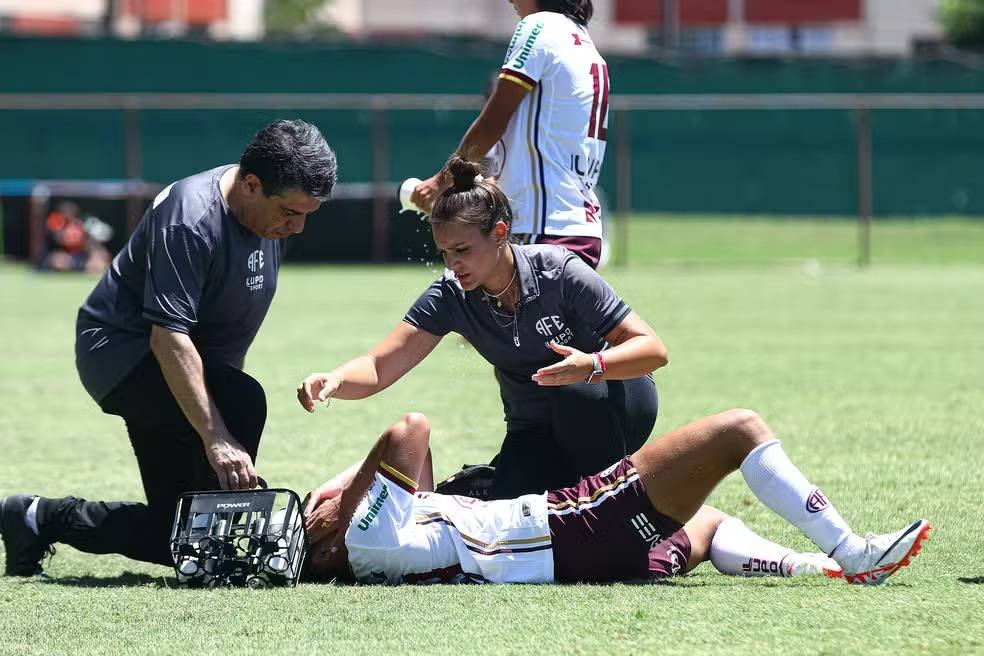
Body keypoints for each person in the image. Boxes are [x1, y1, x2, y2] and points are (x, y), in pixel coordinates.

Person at [0, 119, 338, 577]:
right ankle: (205, 532)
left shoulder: (266, 217)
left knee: (174, 534)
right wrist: (216, 437)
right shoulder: (192, 219)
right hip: (122, 352)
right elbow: (168, 337)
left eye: (308, 215)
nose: (297, 228)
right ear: (252, 184)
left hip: (174, 359)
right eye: (290, 212)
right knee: (241, 402)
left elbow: (224, 343)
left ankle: (35, 516)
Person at [298, 158, 665, 501]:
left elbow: (652, 349)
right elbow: (379, 367)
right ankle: (524, 480)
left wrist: (590, 365)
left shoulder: (558, 271)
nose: (454, 264)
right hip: (533, 426)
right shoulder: (451, 294)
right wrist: (335, 380)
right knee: (504, 512)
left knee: (573, 397)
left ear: (500, 232)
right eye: (444, 253)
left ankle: (614, 496)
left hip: (614, 400)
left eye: (462, 249)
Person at [301, 411, 930, 586]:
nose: (319, 502)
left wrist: (347, 494)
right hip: (571, 528)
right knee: (739, 430)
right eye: (312, 513)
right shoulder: (363, 537)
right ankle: (852, 552)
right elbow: (410, 430)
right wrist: (349, 496)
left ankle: (816, 566)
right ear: (326, 541)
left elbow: (419, 477)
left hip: (571, 556)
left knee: (703, 526)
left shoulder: (385, 544)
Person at [412, 0, 609, 269]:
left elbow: (494, 120)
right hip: (582, 231)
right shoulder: (585, 43)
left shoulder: (539, 24)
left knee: (446, 305)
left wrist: (440, 181)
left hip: (541, 231)